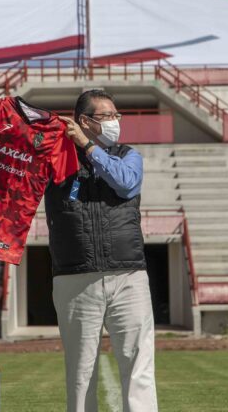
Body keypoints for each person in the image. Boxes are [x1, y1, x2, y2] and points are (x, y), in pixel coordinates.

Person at [47, 89, 157, 412]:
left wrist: (88, 146)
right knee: (81, 375)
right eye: (106, 116)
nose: (114, 122)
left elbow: (125, 182)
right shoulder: (57, 161)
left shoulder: (128, 155)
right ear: (84, 121)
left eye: (116, 115)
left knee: (139, 368)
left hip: (128, 275)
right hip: (75, 278)